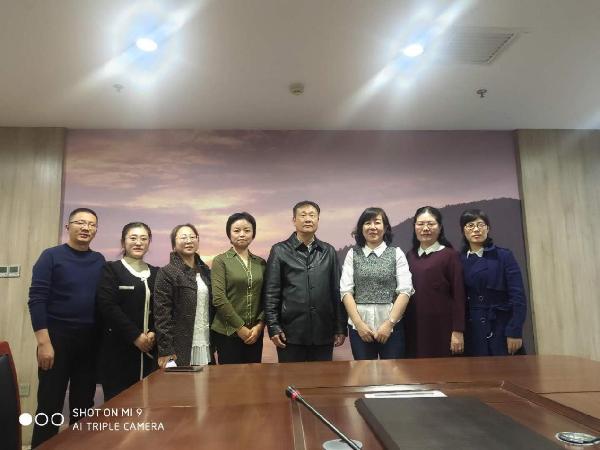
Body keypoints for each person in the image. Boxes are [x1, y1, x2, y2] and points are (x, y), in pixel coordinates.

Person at [27, 208, 106, 448]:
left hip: (89, 342)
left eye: (91, 224)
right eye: (80, 222)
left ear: (96, 230)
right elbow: (37, 299)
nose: (86, 228)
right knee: (49, 405)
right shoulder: (50, 256)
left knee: (83, 407)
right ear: (68, 226)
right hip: (56, 340)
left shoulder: (99, 260)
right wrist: (43, 343)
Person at [264, 201, 347, 362]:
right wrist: (273, 327)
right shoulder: (280, 250)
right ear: (294, 220)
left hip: (323, 332)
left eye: (312, 215)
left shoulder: (328, 251)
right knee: (292, 377)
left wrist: (340, 327)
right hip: (290, 333)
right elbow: (271, 293)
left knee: (322, 377)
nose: (308, 219)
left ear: (318, 220)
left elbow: (336, 291)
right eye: (303, 215)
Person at [340, 207, 414, 360]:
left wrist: (389, 324)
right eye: (367, 223)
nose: (372, 227)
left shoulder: (396, 253)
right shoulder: (352, 254)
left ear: (385, 228)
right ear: (361, 228)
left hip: (392, 327)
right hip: (360, 328)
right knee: (364, 372)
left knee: (394, 371)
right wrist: (359, 324)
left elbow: (405, 291)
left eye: (377, 222)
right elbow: (346, 292)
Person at [96, 222, 158, 401]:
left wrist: (154, 332)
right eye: (133, 238)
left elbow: (162, 307)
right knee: (120, 406)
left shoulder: (156, 273)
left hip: (150, 350)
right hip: (118, 351)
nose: (138, 242)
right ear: (123, 242)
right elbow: (108, 306)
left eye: (143, 238)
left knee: (149, 405)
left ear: (149, 242)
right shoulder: (111, 269)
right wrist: (135, 336)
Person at [459, 209, 527, 356]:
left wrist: (514, 331)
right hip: (473, 329)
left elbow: (518, 297)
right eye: (470, 225)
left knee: (506, 369)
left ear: (488, 228)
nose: (476, 229)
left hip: (501, 326)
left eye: (480, 225)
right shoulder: (459, 260)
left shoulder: (503, 256)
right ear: (463, 230)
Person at [405, 206, 465, 358]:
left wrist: (458, 330)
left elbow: (459, 295)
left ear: (440, 227)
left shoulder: (450, 255)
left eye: (431, 224)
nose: (425, 228)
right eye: (420, 224)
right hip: (414, 327)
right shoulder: (409, 256)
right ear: (414, 227)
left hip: (442, 328)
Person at [153, 223, 214, 367]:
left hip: (206, 341)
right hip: (180, 346)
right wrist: (166, 350)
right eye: (183, 237)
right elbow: (162, 314)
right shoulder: (167, 272)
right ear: (174, 245)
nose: (188, 241)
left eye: (192, 237)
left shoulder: (206, 271)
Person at [211, 212, 266, 364]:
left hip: (255, 333)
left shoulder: (261, 263)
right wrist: (240, 328)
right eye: (236, 230)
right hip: (227, 333)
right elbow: (219, 298)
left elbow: (267, 296)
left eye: (247, 230)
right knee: (230, 377)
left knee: (254, 376)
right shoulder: (220, 261)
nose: (242, 234)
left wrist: (260, 325)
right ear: (229, 234)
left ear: (253, 234)